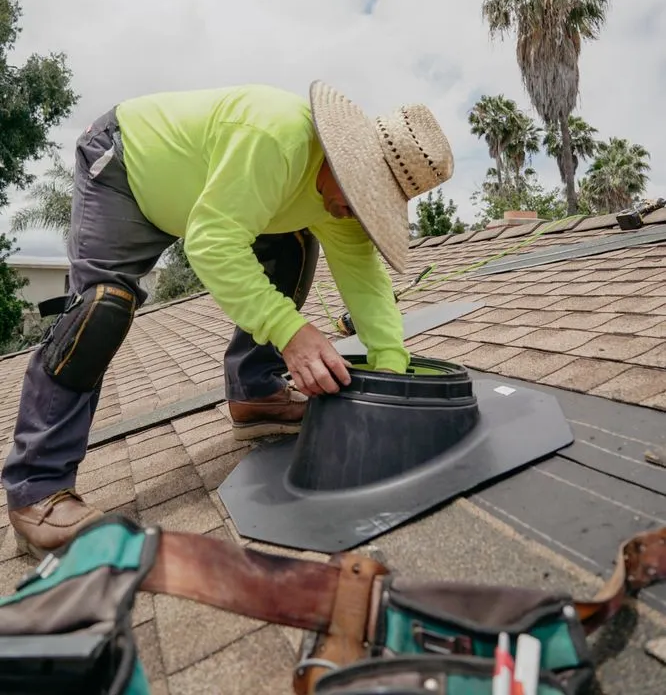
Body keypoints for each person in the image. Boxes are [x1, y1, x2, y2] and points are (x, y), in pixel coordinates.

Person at [2, 80, 453, 557]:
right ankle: (37, 488)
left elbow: (367, 284)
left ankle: (255, 394)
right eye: (361, 195)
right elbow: (212, 245)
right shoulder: (275, 138)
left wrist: (391, 375)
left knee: (294, 246)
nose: (353, 209)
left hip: (206, 200)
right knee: (101, 310)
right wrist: (291, 332)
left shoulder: (340, 205)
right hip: (126, 170)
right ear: (342, 158)